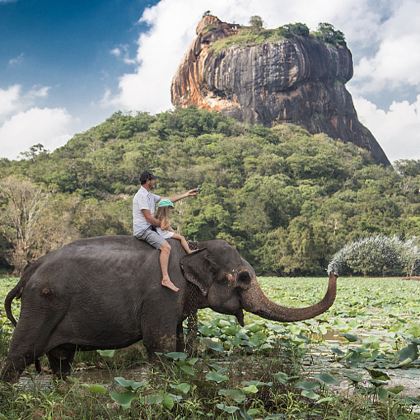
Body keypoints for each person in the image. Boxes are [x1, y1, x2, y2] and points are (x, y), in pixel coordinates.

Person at [132, 170, 198, 292]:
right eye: (153, 180)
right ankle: (165, 278)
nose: (155, 182)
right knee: (166, 247)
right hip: (144, 230)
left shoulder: (150, 195)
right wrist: (163, 225)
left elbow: (166, 200)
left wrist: (186, 194)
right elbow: (149, 218)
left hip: (151, 227)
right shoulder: (141, 196)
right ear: (147, 181)